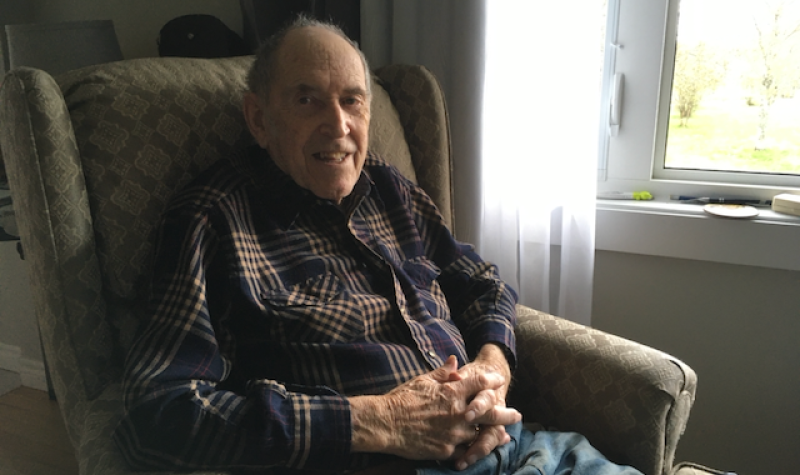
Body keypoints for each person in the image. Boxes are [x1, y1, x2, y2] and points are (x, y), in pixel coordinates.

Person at [114, 16, 642, 475]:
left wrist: (493, 369)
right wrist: (381, 422)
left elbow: (482, 282)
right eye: (307, 100)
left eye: (352, 101)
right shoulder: (213, 218)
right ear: (259, 119)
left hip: (520, 448)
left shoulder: (391, 191)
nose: (338, 124)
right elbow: (155, 416)